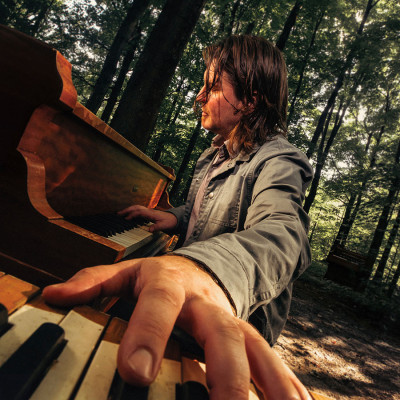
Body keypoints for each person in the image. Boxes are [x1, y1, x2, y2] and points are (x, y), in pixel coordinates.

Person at [43, 35, 313, 399]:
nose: (199, 97)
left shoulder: (279, 161)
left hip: (230, 326)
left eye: (212, 87)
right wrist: (175, 217)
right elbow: (206, 208)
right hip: (184, 299)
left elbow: (284, 235)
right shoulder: (211, 157)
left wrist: (202, 269)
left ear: (249, 101)